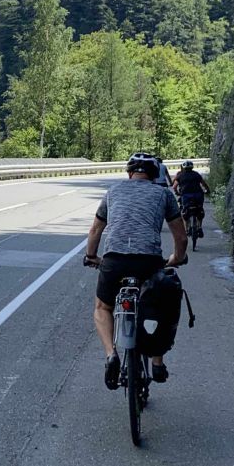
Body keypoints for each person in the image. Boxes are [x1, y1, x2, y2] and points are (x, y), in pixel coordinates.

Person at [84, 152, 188, 390]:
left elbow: (95, 230)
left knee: (103, 307)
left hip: (114, 261)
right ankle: (157, 361)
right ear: (154, 175)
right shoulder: (163, 193)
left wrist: (91, 257)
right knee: (161, 306)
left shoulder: (113, 191)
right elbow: (180, 237)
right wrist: (176, 259)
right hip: (148, 261)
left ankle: (111, 354)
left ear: (129, 172)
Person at [172, 160, 210, 237]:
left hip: (186, 196)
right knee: (200, 209)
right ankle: (199, 227)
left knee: (184, 211)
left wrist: (177, 192)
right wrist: (207, 190)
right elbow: (204, 184)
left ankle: (186, 230)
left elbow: (174, 186)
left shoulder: (180, 175)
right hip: (198, 195)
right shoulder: (196, 174)